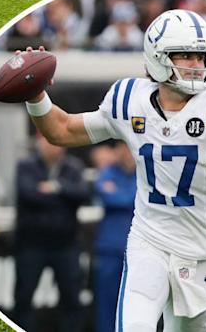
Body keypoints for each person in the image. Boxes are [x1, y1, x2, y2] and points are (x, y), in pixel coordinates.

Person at [19, 11, 206, 331]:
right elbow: (61, 130)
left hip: (205, 253)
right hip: (150, 243)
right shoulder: (129, 98)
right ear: (157, 57)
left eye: (202, 55)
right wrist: (35, 95)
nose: (196, 64)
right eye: (185, 54)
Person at [12, 132, 91, 332]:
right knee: (23, 298)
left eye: (55, 142)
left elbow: (82, 194)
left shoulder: (73, 167)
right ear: (39, 144)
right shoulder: (26, 166)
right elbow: (28, 194)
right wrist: (64, 197)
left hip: (66, 244)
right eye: (47, 142)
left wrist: (56, 187)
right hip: (31, 244)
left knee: (72, 299)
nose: (52, 146)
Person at [93, 140, 136, 332]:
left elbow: (120, 197)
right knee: (106, 304)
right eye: (122, 147)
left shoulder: (146, 173)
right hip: (110, 249)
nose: (126, 153)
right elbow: (108, 196)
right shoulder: (107, 172)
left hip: (138, 251)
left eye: (130, 148)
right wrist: (131, 197)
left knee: (138, 306)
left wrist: (119, 193)